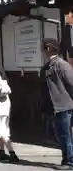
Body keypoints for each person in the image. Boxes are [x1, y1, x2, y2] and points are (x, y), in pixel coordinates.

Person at [40, 38, 73, 169]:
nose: (42, 52)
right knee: (59, 135)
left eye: (43, 49)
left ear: (48, 49)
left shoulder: (61, 64)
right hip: (53, 108)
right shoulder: (46, 67)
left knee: (65, 136)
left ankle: (69, 162)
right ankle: (67, 159)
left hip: (64, 107)